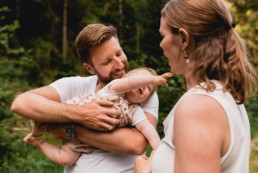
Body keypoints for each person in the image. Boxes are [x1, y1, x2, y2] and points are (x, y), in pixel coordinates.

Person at [11, 23, 160, 173]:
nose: (119, 64)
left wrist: (71, 130)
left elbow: (137, 144)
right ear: (90, 68)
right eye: (107, 61)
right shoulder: (74, 85)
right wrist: (81, 114)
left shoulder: (141, 91)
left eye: (119, 53)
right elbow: (21, 103)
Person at [134, 0, 257, 173]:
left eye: (163, 36)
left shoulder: (199, 108)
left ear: (183, 38)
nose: (161, 44)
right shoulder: (223, 96)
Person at [23, 67, 172, 166]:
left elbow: (148, 131)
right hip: (74, 115)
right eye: (141, 81)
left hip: (82, 141)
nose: (143, 86)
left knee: (66, 159)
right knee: (52, 118)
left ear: (145, 100)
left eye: (148, 88)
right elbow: (129, 82)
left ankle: (39, 142)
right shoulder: (115, 89)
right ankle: (40, 125)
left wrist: (158, 151)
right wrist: (152, 80)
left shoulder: (135, 111)